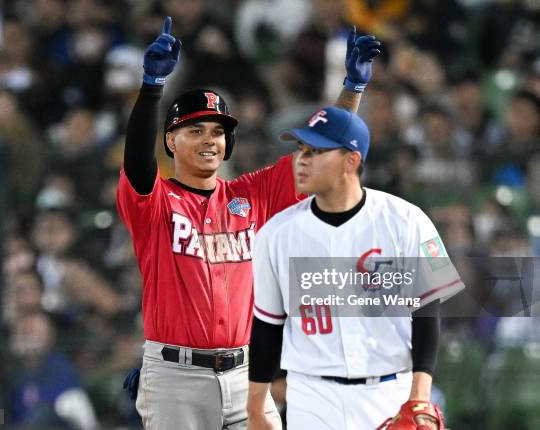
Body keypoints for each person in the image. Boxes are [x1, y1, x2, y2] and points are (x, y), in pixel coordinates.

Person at [117, 16, 380, 429]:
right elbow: (136, 162)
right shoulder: (156, 203)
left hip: (245, 375)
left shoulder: (251, 195)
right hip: (176, 378)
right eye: (195, 130)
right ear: (171, 141)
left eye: (218, 132)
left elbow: (323, 151)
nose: (209, 139)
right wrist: (152, 89)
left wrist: (353, 89)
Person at [247, 107, 465, 429]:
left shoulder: (406, 221)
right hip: (310, 396)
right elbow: (266, 327)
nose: (301, 160)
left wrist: (419, 396)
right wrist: (256, 407)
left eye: (316, 151)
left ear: (351, 160)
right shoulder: (275, 234)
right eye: (300, 150)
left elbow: (426, 313)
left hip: (390, 391)